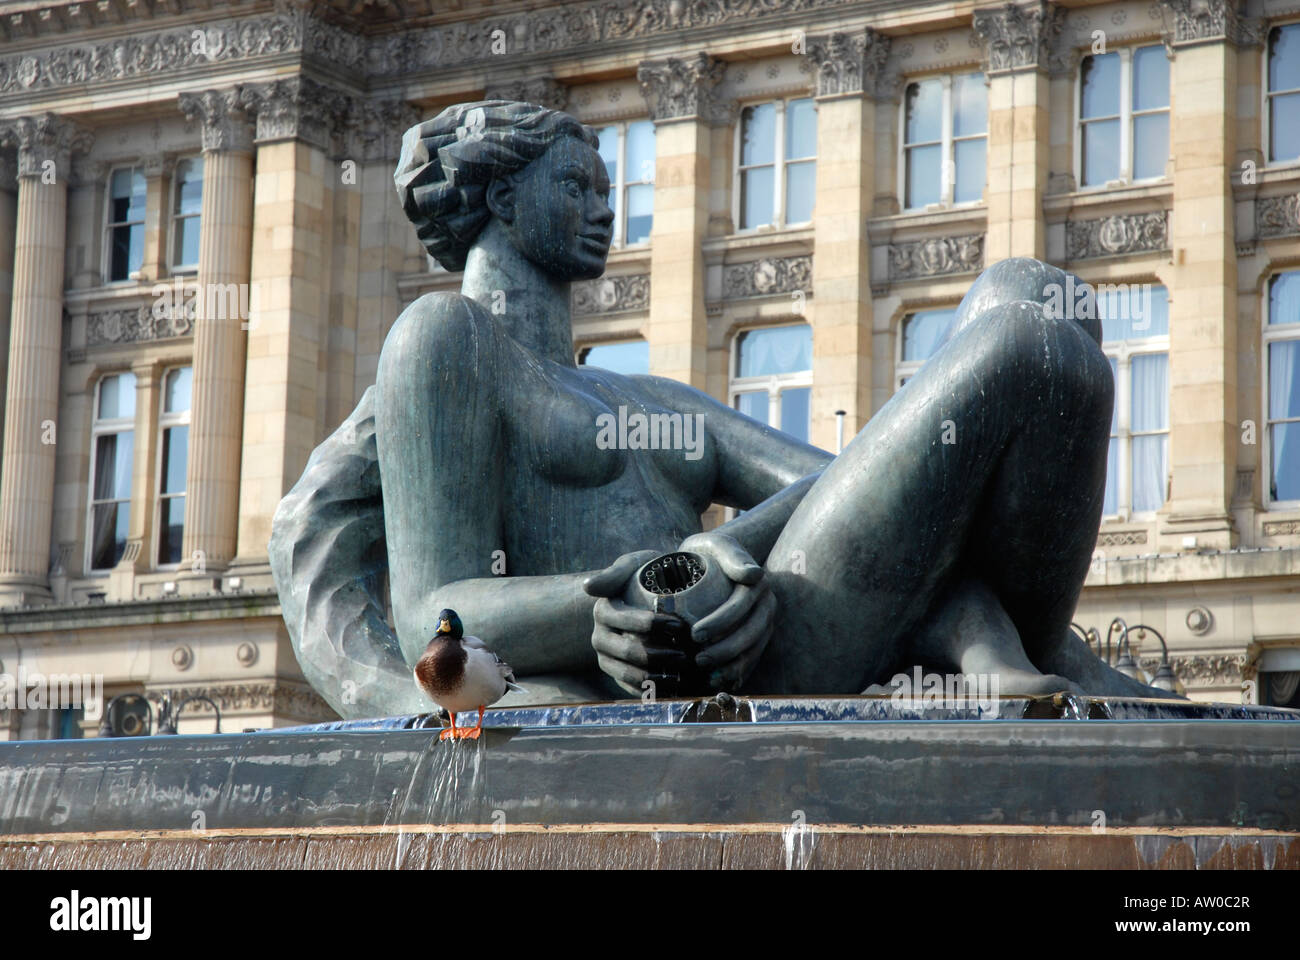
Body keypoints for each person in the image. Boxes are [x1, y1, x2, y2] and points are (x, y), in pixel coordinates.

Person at [269, 100, 1164, 720]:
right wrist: (605, 604)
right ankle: (1015, 658)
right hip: (684, 677)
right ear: (502, 198)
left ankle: (1018, 656)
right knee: (1025, 348)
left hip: (781, 620)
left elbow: (845, 488)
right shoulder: (444, 340)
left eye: (609, 188)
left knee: (1038, 295)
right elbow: (438, 608)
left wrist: (714, 555)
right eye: (576, 185)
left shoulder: (646, 397)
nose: (605, 207)